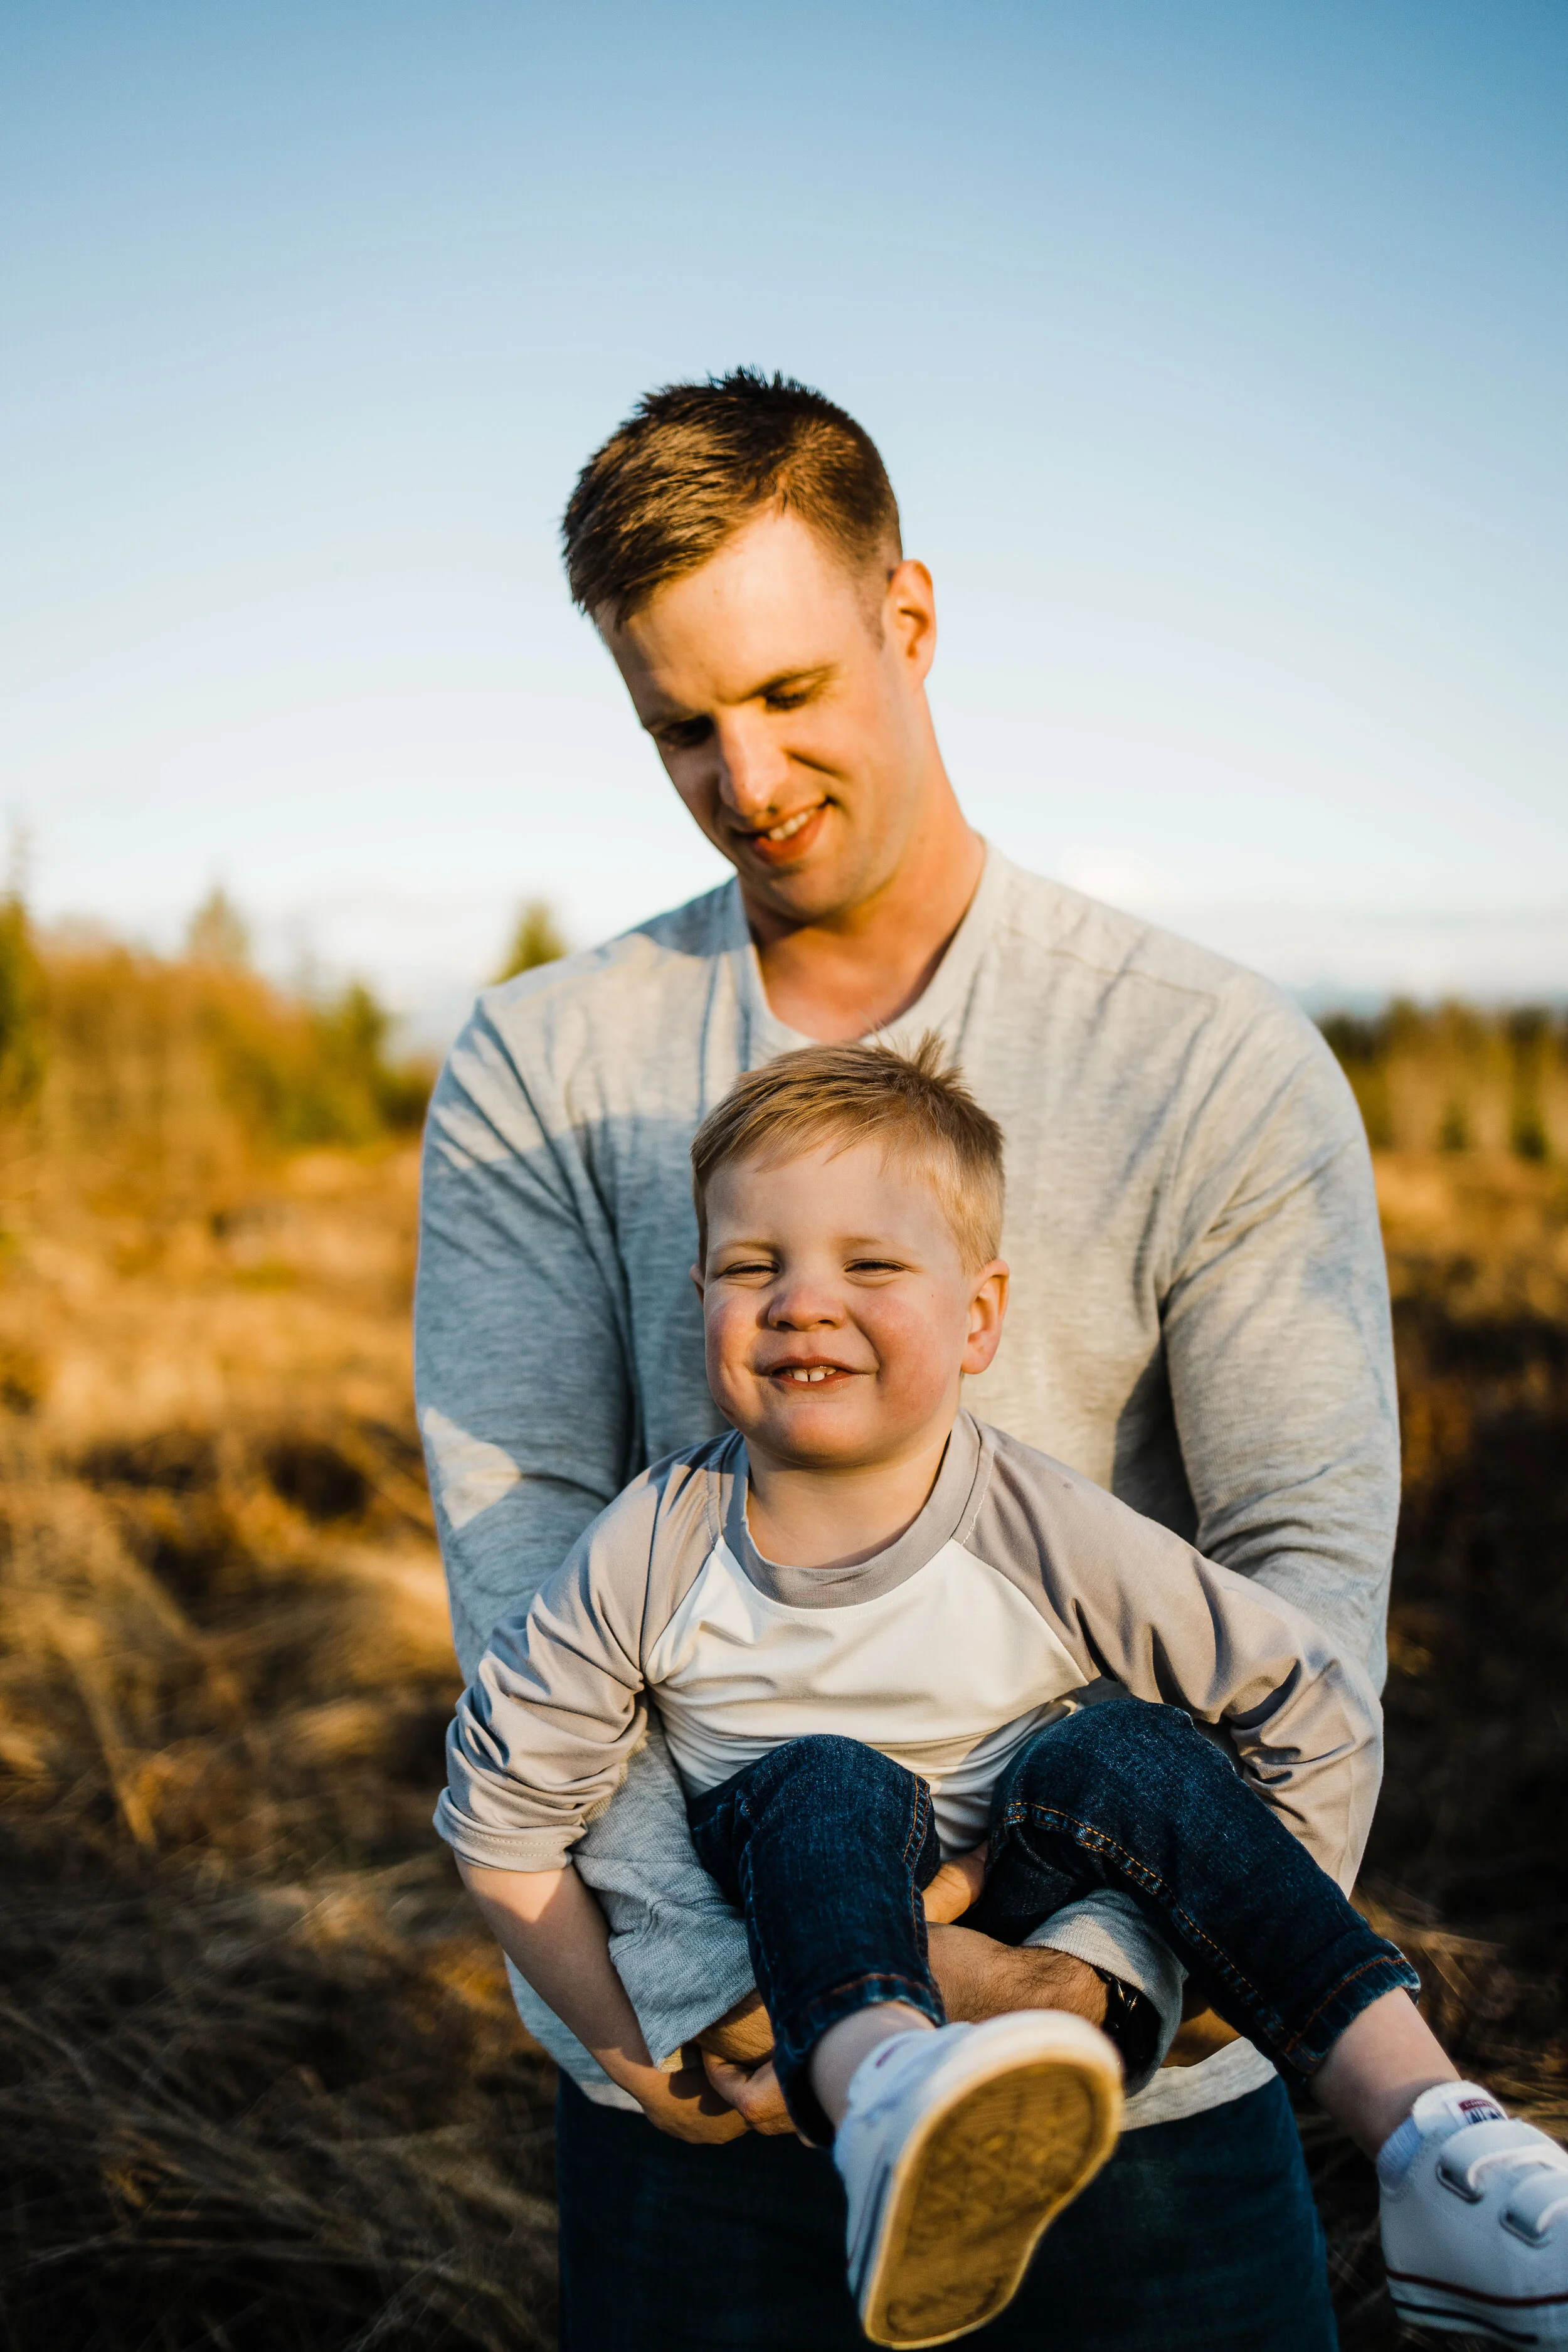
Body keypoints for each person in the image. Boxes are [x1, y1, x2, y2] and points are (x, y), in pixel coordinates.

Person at [416, 369, 1399, 2348]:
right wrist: (731, 1992)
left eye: (789, 690)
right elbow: (529, 1568)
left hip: (1143, 2119)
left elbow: (1301, 1571)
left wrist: (1075, 1993)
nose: (745, 773)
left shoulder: (1206, 1054)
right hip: (716, 2101)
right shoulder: (543, 1065)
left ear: (910, 614)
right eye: (679, 724)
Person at [437, 1039, 1568, 2350]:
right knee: (826, 1777)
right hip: (789, 1907)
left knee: (1130, 1749)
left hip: (1035, 1887)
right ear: (699, 1297)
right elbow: (501, 1815)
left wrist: (1213, 1986)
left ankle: (1434, 2140)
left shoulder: (1040, 1524)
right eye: (752, 1266)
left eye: (870, 1265)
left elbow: (1300, 1698)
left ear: (978, 1316)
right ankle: (888, 2094)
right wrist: (631, 2050)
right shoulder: (656, 1541)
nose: (802, 1302)